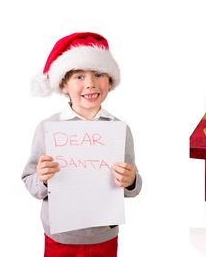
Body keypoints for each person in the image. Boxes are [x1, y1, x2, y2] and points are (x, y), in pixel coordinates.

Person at [23, 32, 142, 256]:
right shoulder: (48, 128)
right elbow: (30, 181)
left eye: (98, 74)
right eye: (79, 76)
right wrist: (43, 178)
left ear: (110, 81)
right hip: (60, 237)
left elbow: (133, 186)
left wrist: (131, 180)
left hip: (104, 235)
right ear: (64, 85)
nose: (90, 84)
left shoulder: (120, 129)